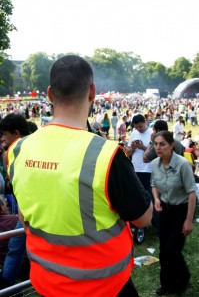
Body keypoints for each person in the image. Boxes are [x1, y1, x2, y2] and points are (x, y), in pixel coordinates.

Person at [7, 55, 152, 297]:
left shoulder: (19, 149)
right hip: (104, 287)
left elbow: (24, 215)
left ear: (50, 94)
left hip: (47, 283)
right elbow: (143, 219)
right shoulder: (105, 154)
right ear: (93, 92)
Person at [151, 131, 196, 296]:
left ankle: (183, 279)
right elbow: (154, 184)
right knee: (164, 250)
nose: (158, 147)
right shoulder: (155, 164)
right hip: (164, 210)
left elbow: (192, 193)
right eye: (156, 144)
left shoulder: (182, 165)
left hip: (180, 211)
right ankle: (167, 284)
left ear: (171, 145)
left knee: (172, 250)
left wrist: (188, 220)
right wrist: (156, 198)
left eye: (162, 144)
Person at [0, 113, 30, 289]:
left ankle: (6, 284)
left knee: (16, 245)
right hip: (26, 209)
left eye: (4, 134)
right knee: (16, 245)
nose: (2, 139)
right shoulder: (12, 153)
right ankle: (7, 283)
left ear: (16, 133)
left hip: (33, 210)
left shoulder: (27, 151)